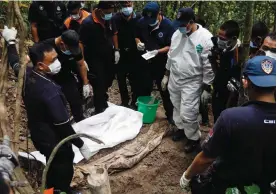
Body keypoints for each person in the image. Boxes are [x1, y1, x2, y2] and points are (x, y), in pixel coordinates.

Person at [2, 26, 93, 194]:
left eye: (57, 57)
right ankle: (58, 190)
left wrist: (11, 42)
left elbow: (14, 62)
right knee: (64, 162)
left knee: (54, 164)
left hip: (38, 130)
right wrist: (80, 144)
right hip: (50, 135)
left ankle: (51, 190)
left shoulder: (28, 75)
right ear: (42, 66)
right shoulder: (49, 92)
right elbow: (64, 124)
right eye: (53, 60)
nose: (58, 63)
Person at [180, 55, 276, 194]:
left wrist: (187, 176)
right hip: (263, 186)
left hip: (227, 186)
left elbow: (206, 158)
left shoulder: (231, 118)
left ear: (245, 82)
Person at [163, 8, 214, 153]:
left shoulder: (205, 38)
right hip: (175, 77)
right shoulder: (177, 34)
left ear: (191, 22)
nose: (180, 27)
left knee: (188, 112)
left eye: (183, 24)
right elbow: (171, 55)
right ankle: (181, 129)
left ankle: (193, 138)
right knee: (176, 106)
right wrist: (166, 74)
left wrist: (207, 86)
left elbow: (208, 65)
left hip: (192, 80)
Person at [41, 30, 93, 123]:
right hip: (49, 78)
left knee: (75, 100)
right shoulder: (46, 46)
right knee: (56, 103)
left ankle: (80, 121)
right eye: (69, 49)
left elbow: (81, 64)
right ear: (62, 44)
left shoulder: (74, 48)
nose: (71, 52)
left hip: (66, 76)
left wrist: (86, 83)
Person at [135, 2, 174, 122]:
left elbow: (171, 46)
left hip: (161, 62)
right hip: (145, 60)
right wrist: (138, 43)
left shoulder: (169, 26)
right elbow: (137, 36)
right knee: (144, 86)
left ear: (159, 14)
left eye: (152, 18)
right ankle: (143, 112)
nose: (149, 21)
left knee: (164, 89)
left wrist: (158, 51)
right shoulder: (142, 22)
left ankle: (170, 115)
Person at [80, 1, 116, 114]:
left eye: (111, 12)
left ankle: (102, 98)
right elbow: (81, 42)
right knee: (99, 83)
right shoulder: (87, 23)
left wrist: (117, 50)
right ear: (100, 10)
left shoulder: (110, 19)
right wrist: (82, 59)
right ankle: (100, 108)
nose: (109, 14)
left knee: (108, 79)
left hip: (108, 56)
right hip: (94, 58)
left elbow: (114, 33)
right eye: (107, 12)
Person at [209, 20, 241, 123]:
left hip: (231, 96)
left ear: (233, 39)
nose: (219, 40)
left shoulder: (240, 54)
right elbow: (217, 71)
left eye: (222, 39)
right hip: (218, 88)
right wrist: (212, 61)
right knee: (216, 115)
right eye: (219, 37)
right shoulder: (220, 48)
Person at [112, 1, 141, 108]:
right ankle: (124, 101)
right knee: (121, 78)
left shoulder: (138, 17)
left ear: (133, 4)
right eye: (125, 6)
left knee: (135, 79)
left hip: (135, 53)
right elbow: (114, 34)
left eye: (129, 5)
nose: (127, 8)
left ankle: (134, 101)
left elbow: (141, 33)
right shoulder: (115, 18)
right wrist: (116, 50)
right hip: (121, 53)